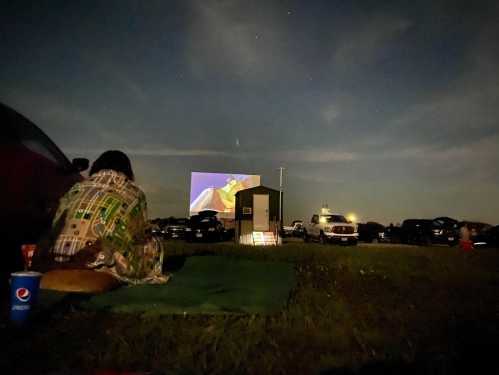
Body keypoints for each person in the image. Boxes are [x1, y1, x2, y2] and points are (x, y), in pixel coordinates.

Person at [34, 150, 168, 284]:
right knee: (152, 242)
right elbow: (139, 234)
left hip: (59, 257)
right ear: (128, 170)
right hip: (102, 261)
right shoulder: (135, 193)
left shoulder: (76, 188)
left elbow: (56, 224)